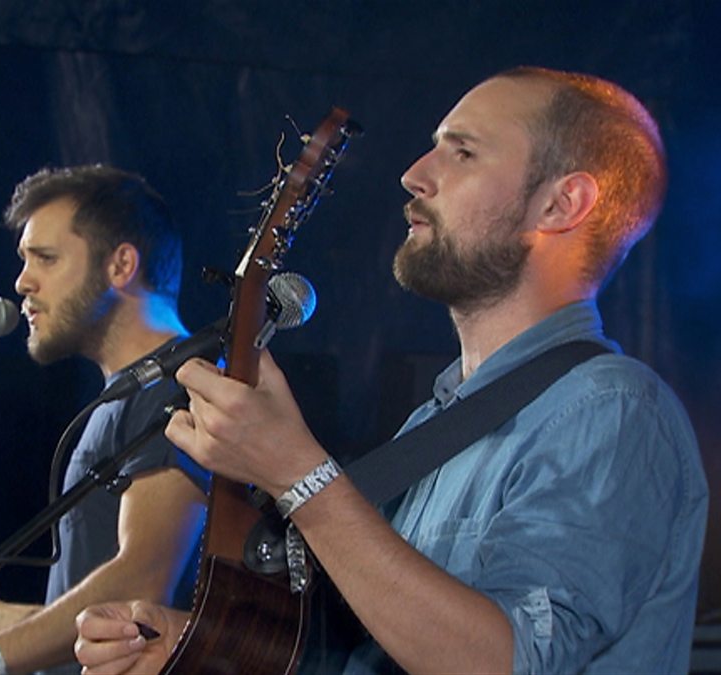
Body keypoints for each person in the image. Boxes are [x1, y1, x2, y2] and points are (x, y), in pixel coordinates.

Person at [74, 67, 709, 674]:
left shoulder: (613, 411)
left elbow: (502, 663)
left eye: (463, 153)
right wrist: (206, 650)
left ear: (561, 204)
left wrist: (299, 475)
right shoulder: (435, 423)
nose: (414, 174)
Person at [0, 165, 209, 675]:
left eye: (45, 258)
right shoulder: (131, 393)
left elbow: (141, 584)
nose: (22, 282)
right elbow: (97, 625)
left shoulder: (176, 385)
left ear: (121, 265)